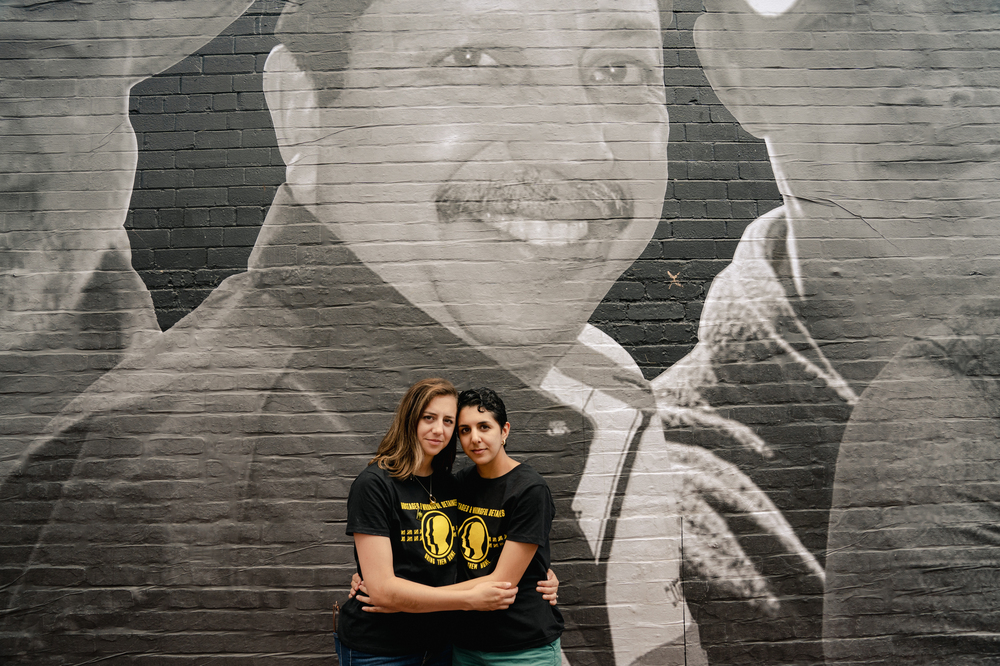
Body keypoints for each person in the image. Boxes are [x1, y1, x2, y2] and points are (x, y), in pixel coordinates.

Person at [1, 0, 818, 663]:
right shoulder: (222, 548)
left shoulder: (587, 387)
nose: (581, 147)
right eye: (474, 61)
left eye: (618, 70)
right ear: (304, 112)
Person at [666, 0, 1000, 662]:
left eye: (979, 11)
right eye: (846, 22)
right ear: (732, 71)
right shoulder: (644, 529)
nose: (937, 80)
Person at [337, 378, 517, 664]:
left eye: (448, 421)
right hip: (380, 648)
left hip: (441, 644)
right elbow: (383, 591)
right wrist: (467, 599)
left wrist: (540, 574)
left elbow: (492, 541)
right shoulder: (374, 485)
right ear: (410, 420)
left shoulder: (452, 484)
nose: (438, 429)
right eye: (429, 418)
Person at [450, 387, 563, 665]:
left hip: (522, 648)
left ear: (504, 431)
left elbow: (502, 582)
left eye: (484, 427)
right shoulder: (458, 484)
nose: (474, 438)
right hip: (465, 645)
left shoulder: (529, 489)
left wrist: (403, 596)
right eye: (464, 430)